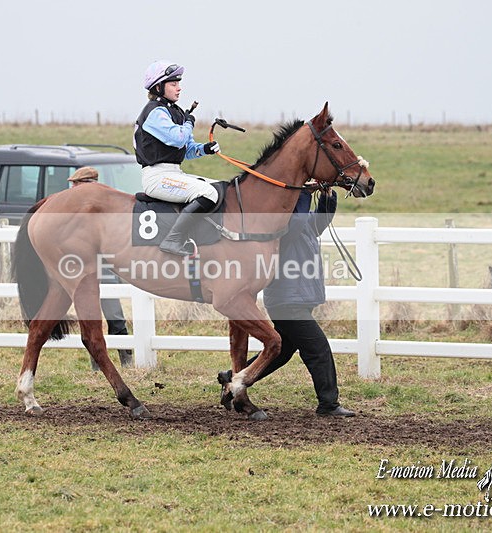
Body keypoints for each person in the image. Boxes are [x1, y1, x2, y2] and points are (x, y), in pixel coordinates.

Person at [219, 187, 355, 417]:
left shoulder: (305, 225)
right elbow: (299, 218)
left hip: (297, 299)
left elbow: (321, 217)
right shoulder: (283, 229)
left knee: (281, 352)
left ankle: (232, 378)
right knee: (318, 349)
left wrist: (327, 193)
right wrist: (303, 191)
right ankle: (328, 404)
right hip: (286, 302)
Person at [133, 60, 221, 256]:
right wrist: (189, 123)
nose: (179, 89)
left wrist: (205, 149)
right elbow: (178, 137)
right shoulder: (155, 112)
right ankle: (172, 240)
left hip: (174, 172)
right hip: (156, 177)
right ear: (158, 87)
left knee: (220, 188)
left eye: (179, 84)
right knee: (208, 194)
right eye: (173, 84)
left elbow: (186, 148)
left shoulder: (175, 112)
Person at [68, 167, 134, 369]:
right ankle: (102, 364)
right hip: (90, 269)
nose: (73, 188)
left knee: (113, 317)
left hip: (103, 268)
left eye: (76, 184)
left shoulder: (100, 207)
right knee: (93, 318)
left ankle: (125, 361)